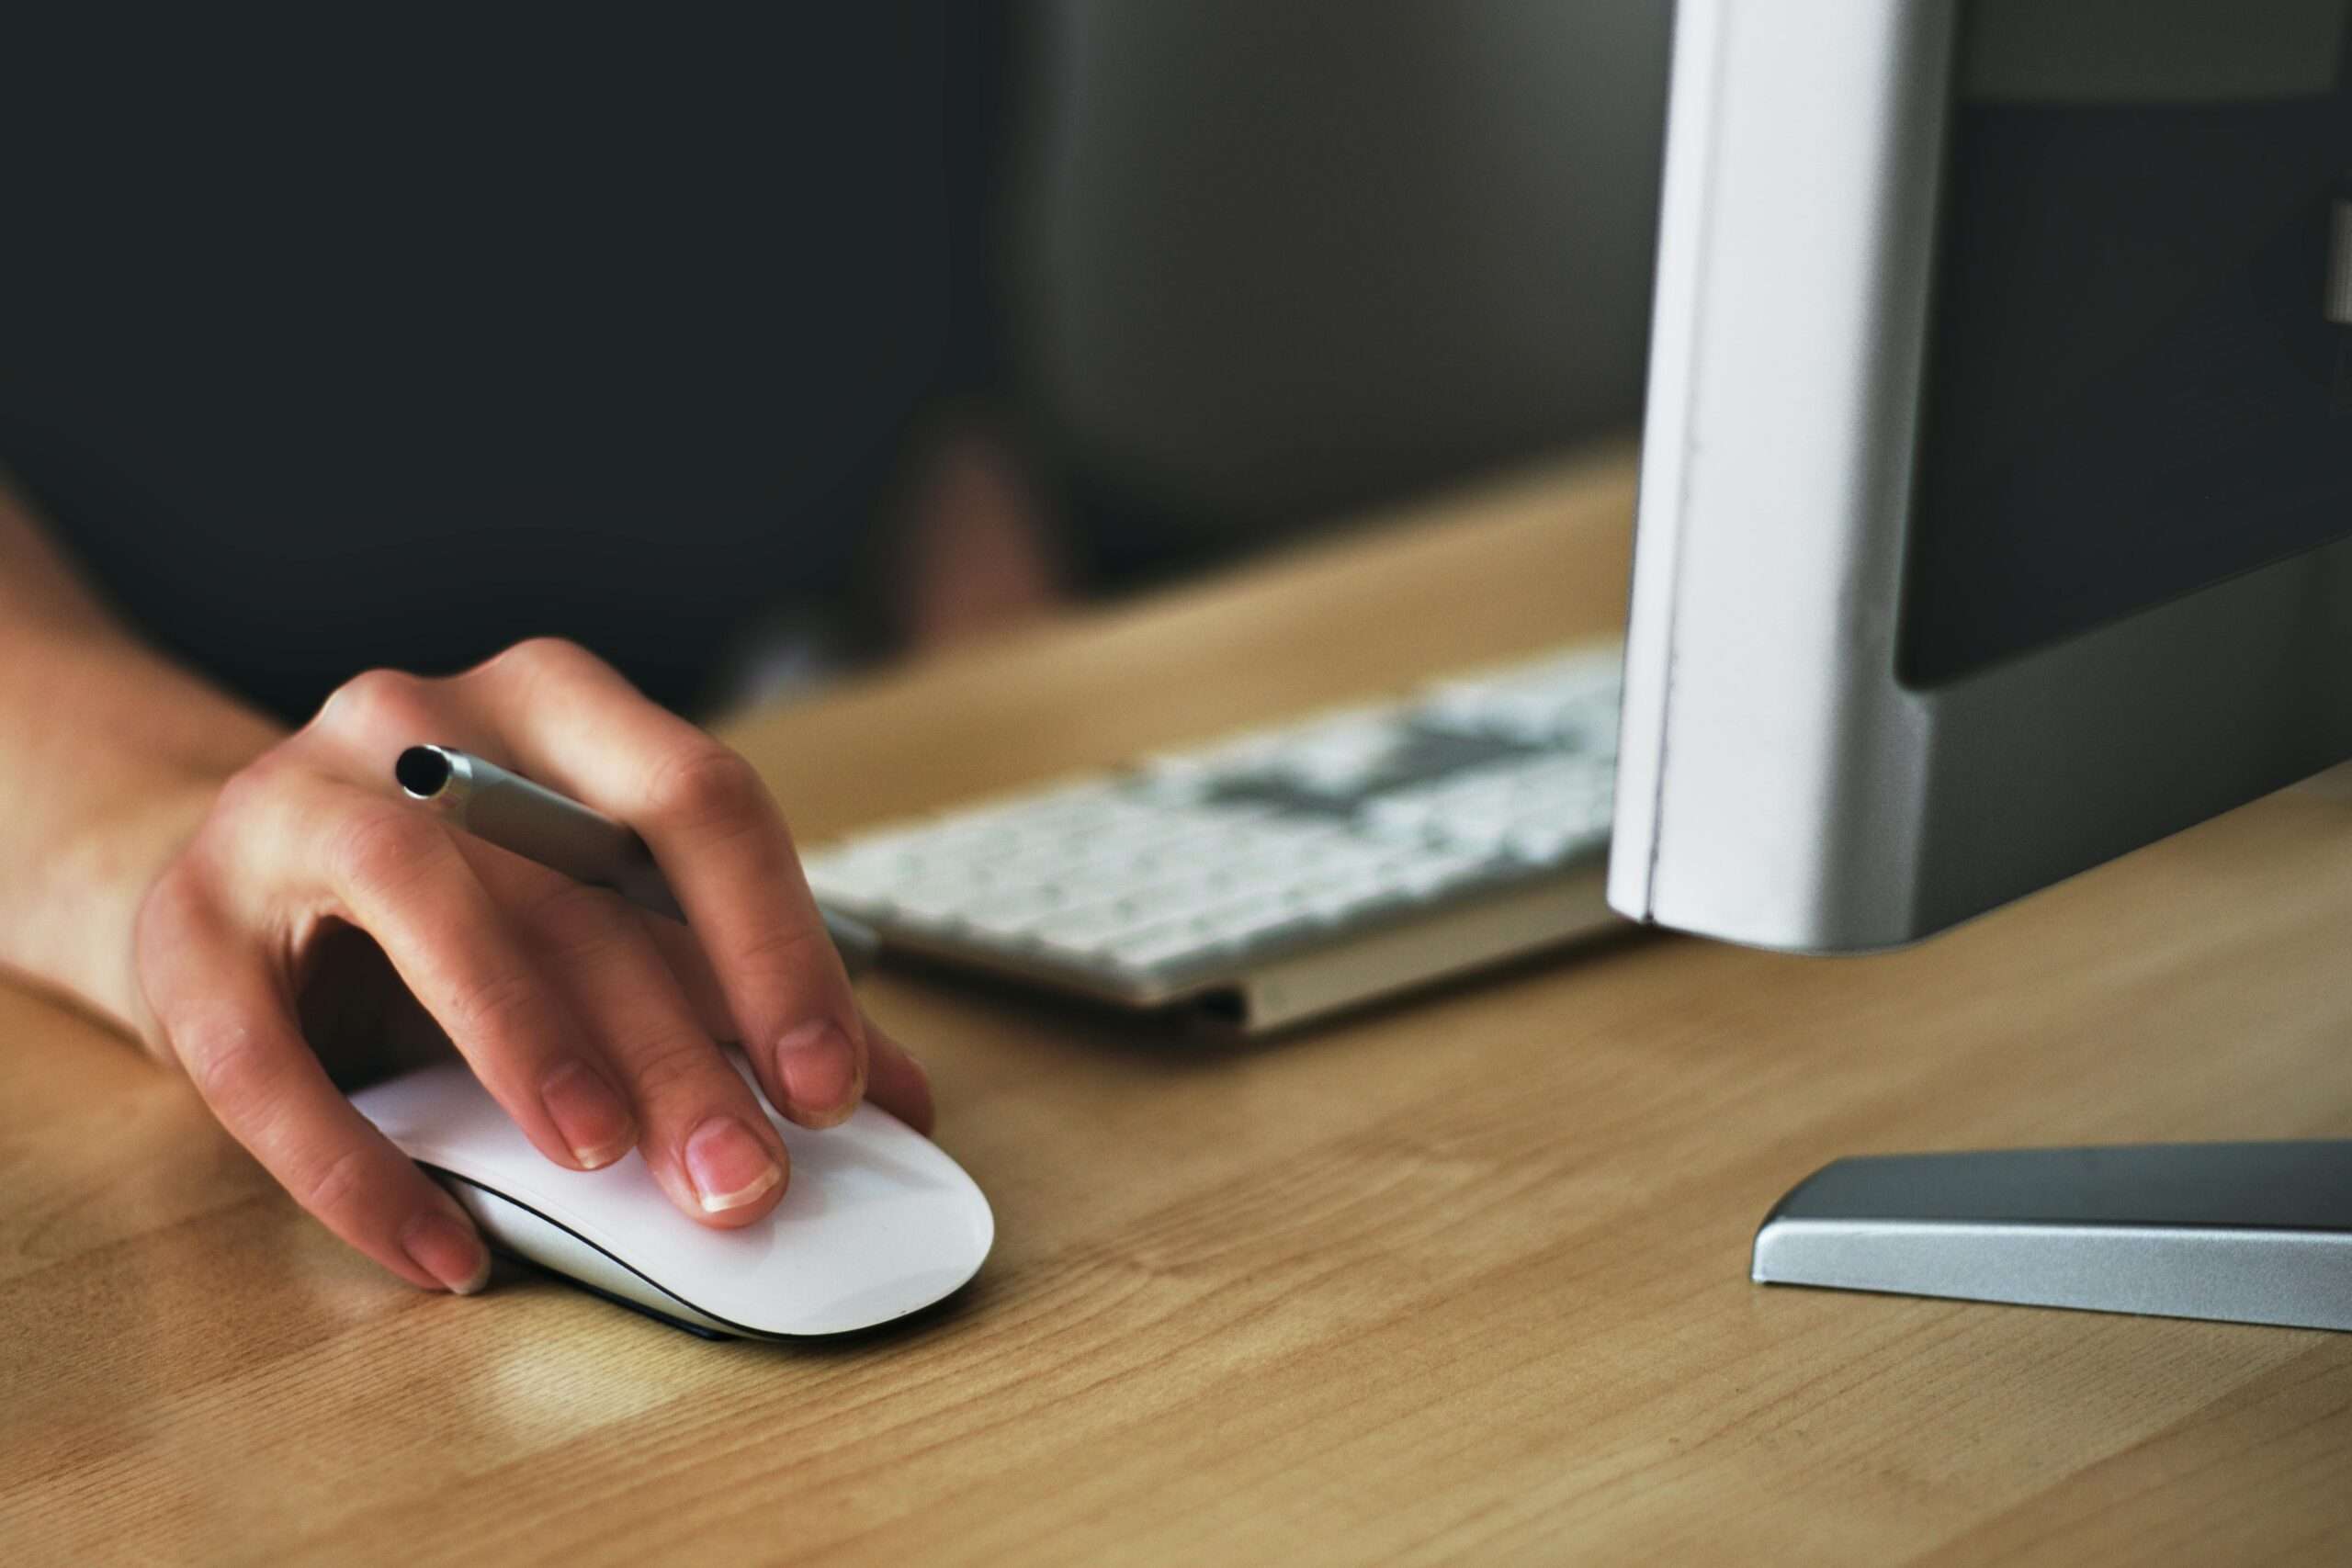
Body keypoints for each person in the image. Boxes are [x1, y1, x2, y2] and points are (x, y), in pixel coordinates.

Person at [0, 9, 1044, 1297]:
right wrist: (174, 840)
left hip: (741, 775)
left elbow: (944, 375)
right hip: (188, 737)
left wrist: (1036, 766)